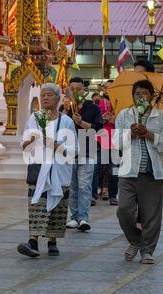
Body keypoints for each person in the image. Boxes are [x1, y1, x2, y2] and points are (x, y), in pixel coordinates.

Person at [113, 80, 163, 264]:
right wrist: (130, 134)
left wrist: (148, 134)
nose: (141, 97)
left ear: (152, 96)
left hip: (152, 173)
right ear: (133, 96)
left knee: (151, 214)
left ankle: (147, 250)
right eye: (137, 94)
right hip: (128, 172)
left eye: (145, 94)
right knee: (123, 210)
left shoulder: (162, 117)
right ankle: (135, 240)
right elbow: (116, 142)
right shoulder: (124, 115)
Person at [17, 83, 78, 258]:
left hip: (59, 169)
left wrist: (56, 145)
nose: (45, 98)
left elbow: (73, 150)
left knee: (58, 205)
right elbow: (24, 144)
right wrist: (33, 138)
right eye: (43, 95)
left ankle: (52, 241)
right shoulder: (34, 118)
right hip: (38, 167)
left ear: (58, 99)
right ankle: (33, 240)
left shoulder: (66, 121)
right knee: (37, 204)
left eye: (49, 95)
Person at [62, 77, 104, 232]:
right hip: (69, 152)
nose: (75, 92)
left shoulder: (93, 108)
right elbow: (59, 128)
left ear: (84, 91)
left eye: (78, 89)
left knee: (84, 185)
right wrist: (65, 111)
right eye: (72, 89)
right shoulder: (64, 108)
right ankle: (73, 217)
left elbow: (98, 129)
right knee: (72, 186)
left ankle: (83, 218)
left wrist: (81, 123)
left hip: (87, 150)